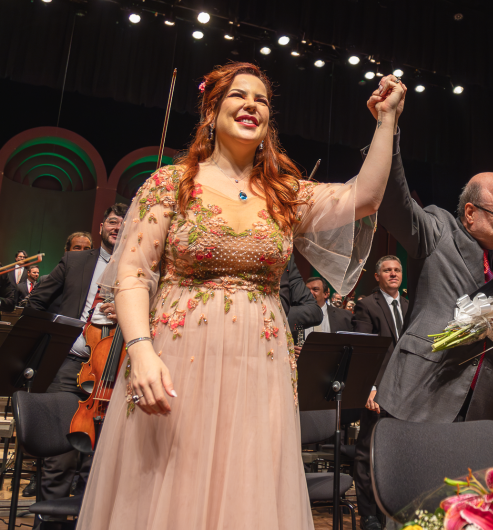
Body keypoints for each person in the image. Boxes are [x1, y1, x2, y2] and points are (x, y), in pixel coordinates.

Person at [74, 62, 404, 530]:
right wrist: (141, 350)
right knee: (172, 484)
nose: (252, 105)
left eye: (262, 100)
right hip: (176, 355)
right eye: (239, 95)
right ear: (211, 112)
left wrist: (386, 120)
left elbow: (365, 197)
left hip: (259, 362)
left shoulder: (283, 193)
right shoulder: (171, 184)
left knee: (244, 487)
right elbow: (132, 274)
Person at [372, 87, 493, 423]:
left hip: (476, 412)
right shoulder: (437, 230)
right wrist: (388, 125)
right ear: (470, 213)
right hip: (417, 397)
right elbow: (394, 199)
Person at [27, 203, 127, 502]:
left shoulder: (140, 269)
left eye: (124, 223)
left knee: (96, 462)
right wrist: (58, 337)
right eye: (113, 221)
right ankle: (49, 519)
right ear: (101, 227)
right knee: (60, 456)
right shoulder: (75, 260)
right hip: (70, 365)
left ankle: (85, 518)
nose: (117, 227)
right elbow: (37, 302)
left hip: (114, 371)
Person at [351, 255, 409, 530]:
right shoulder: (367, 306)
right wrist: (370, 387)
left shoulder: (409, 306)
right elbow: (363, 351)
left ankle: (397, 509)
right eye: (387, 270)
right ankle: (369, 515)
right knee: (368, 453)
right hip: (378, 390)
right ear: (377, 276)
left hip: (406, 392)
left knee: (400, 452)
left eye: (397, 270)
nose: (393, 274)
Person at [279, 256, 323, 353]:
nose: (311, 292)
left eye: (315, 289)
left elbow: (314, 311)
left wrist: (278, 316)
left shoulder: (285, 257)